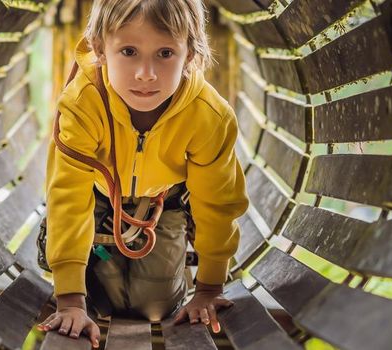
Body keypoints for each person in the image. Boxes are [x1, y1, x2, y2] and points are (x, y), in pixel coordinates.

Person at [36, 0, 249, 347]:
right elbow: (68, 197)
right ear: (100, 49)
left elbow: (218, 203)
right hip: (97, 197)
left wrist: (209, 287)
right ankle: (93, 258)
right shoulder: (83, 102)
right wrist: (71, 301)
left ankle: (164, 255)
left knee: (154, 307)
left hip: (163, 200)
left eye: (165, 53)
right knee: (100, 300)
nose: (145, 74)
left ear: (191, 54)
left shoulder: (208, 116)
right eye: (129, 51)